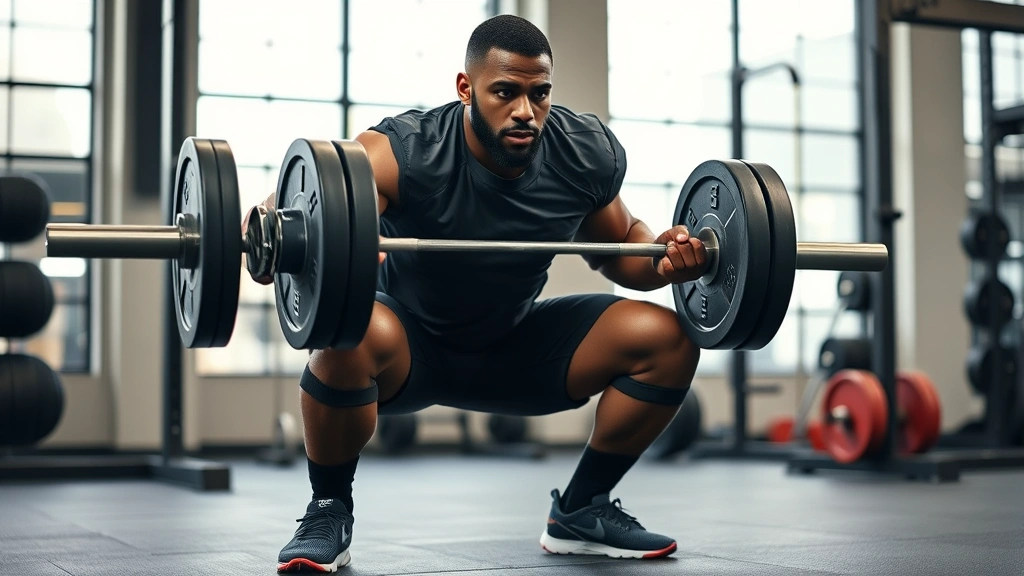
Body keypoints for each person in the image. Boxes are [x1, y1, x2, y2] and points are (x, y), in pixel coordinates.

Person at [263, 14, 708, 573]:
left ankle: (581, 509)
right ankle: (328, 511)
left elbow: (621, 246)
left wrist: (665, 257)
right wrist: (293, 232)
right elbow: (326, 193)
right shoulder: (409, 149)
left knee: (668, 340)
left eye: (539, 94)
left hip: (515, 350)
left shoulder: (581, 153)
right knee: (344, 334)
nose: (526, 111)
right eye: (505, 92)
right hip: (407, 350)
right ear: (465, 88)